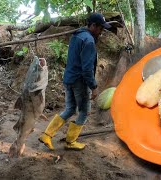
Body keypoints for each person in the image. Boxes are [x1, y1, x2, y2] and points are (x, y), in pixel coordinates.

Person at [39, 13, 111, 150]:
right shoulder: (89, 41)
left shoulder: (77, 35)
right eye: (101, 28)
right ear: (93, 26)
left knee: (70, 109)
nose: (102, 32)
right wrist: (94, 87)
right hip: (80, 81)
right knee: (84, 111)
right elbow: (87, 69)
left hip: (69, 78)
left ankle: (47, 135)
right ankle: (71, 141)